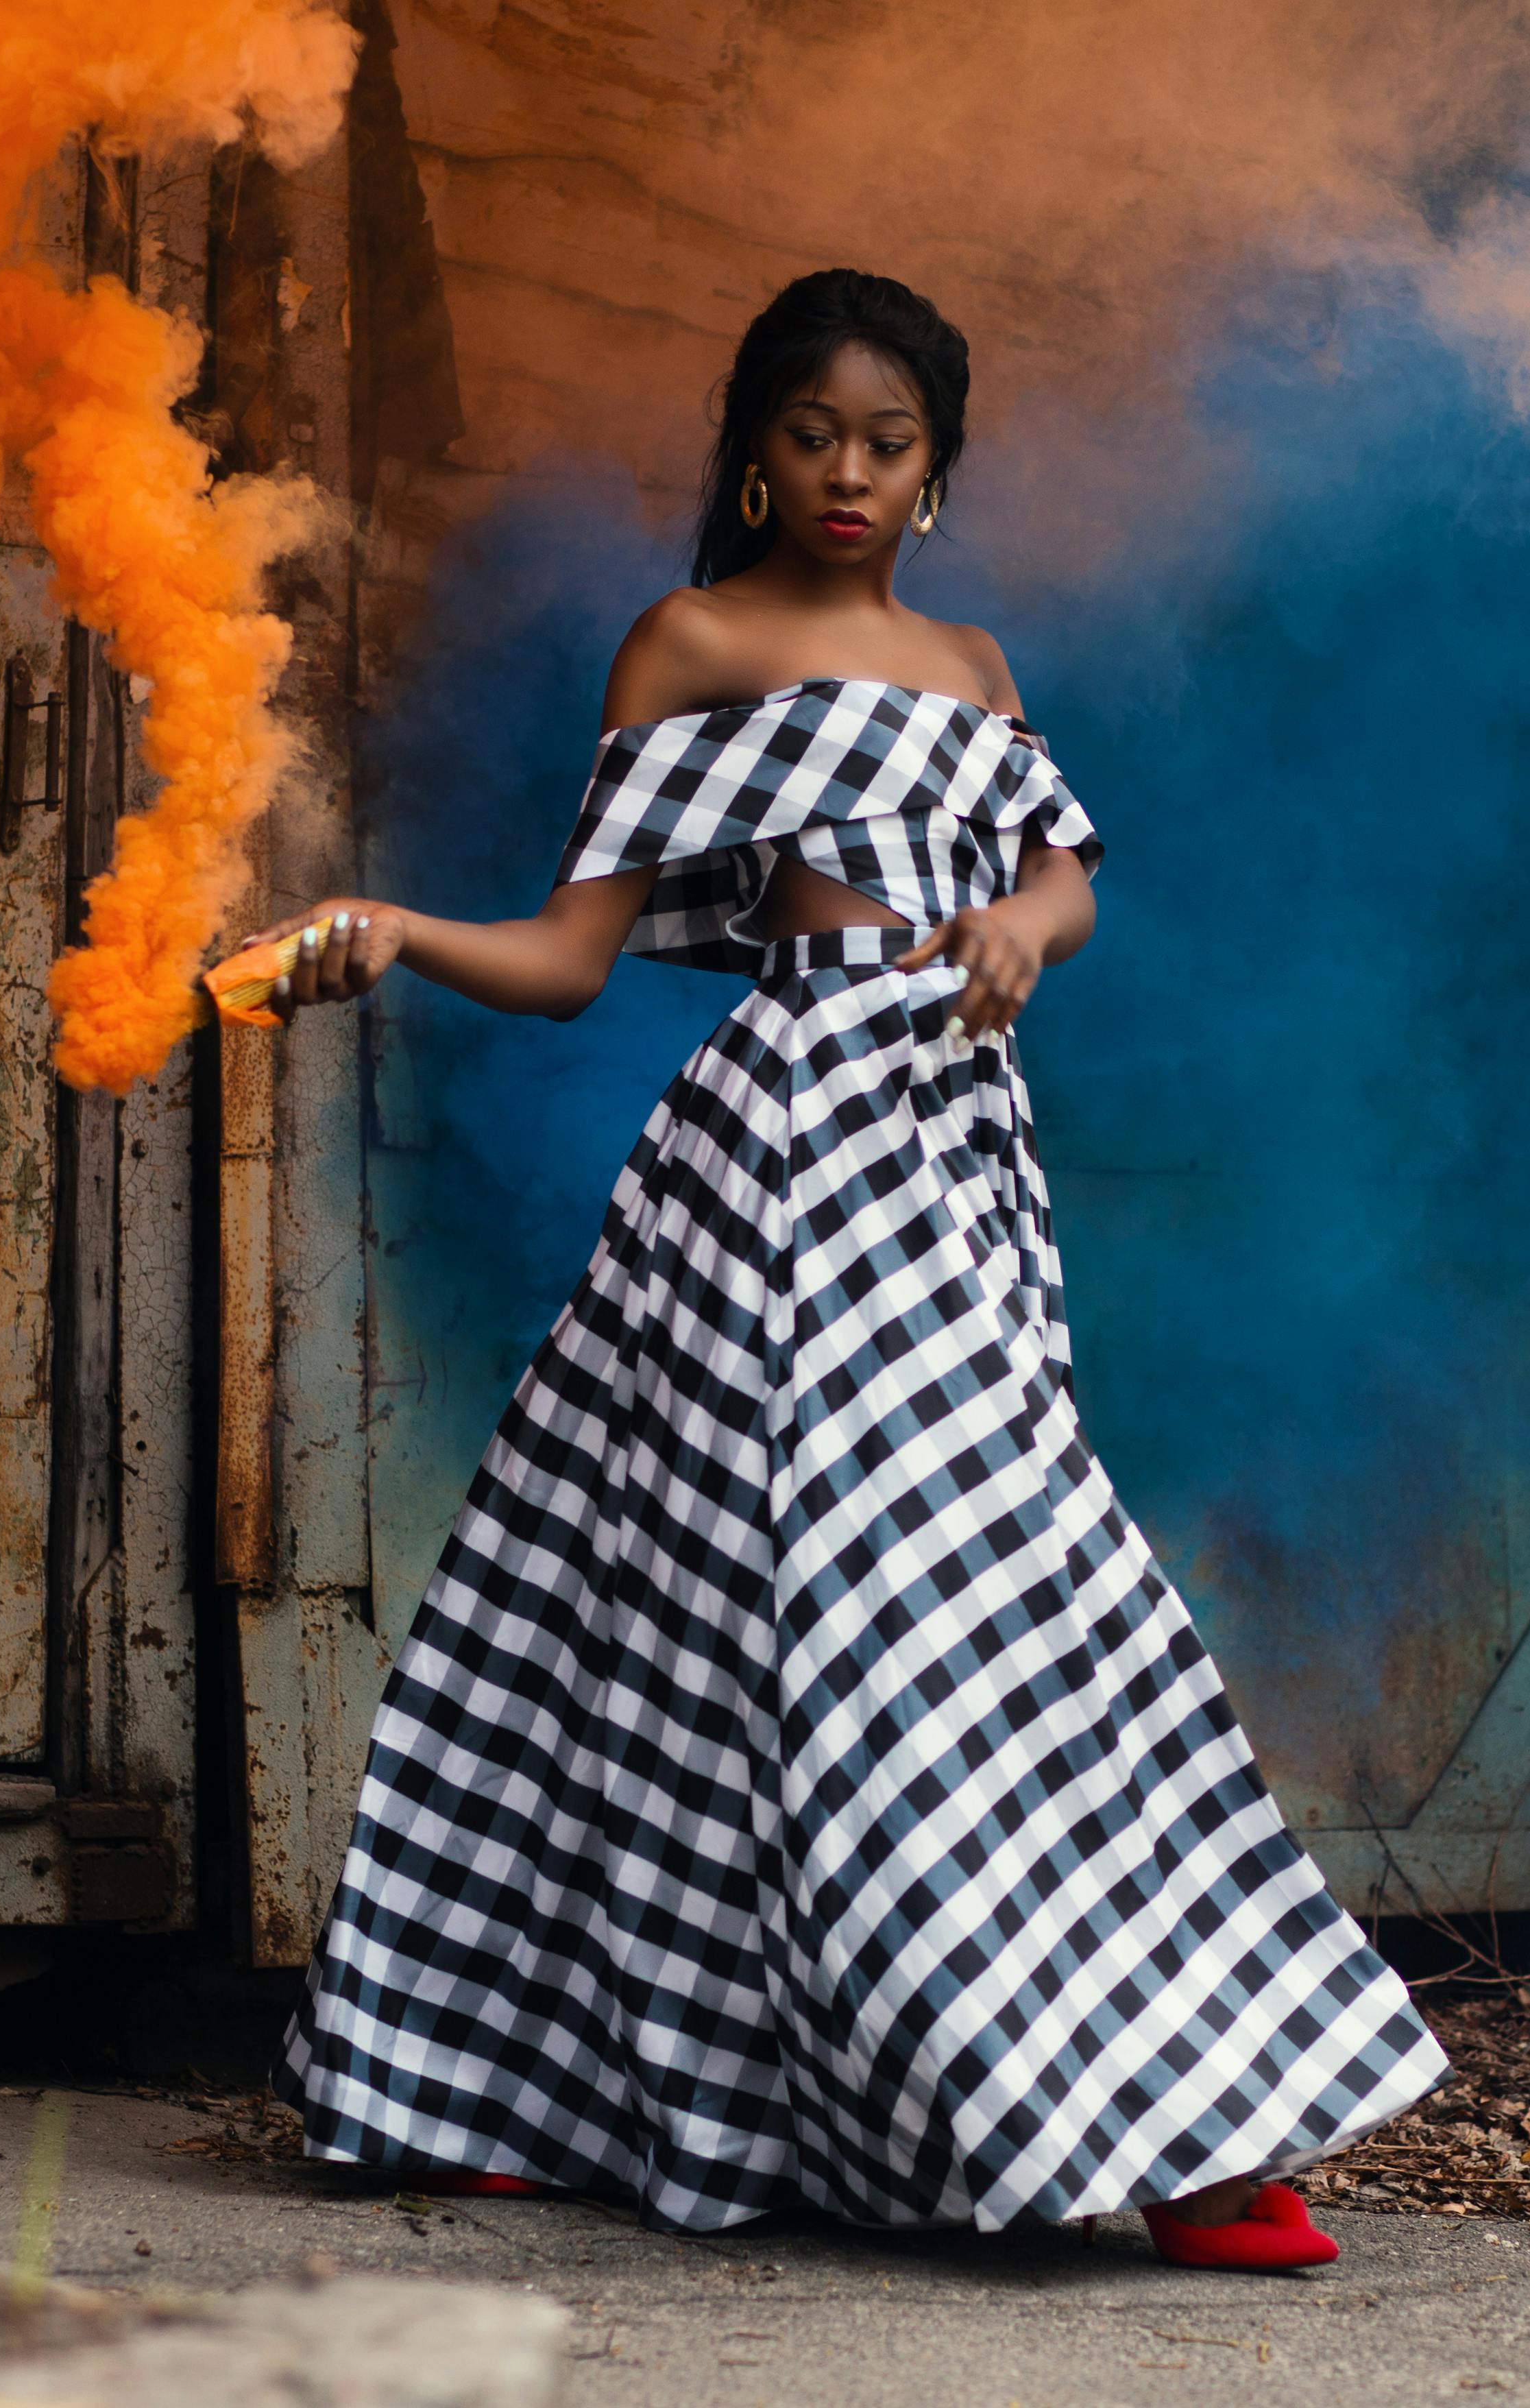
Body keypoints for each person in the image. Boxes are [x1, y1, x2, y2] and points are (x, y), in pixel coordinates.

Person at [255, 268, 1445, 2271]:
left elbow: (1059, 865)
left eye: (887, 445)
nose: (846, 473)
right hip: (769, 1155)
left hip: (952, 1165)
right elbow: (566, 964)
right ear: (751, 450)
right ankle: (512, 2081)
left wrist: (1021, 939)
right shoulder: (690, 643)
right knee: (707, 1630)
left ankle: (1182, 2130)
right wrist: (391, 928)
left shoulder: (970, 664)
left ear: (936, 473)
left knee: (1023, 1598)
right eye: (811, 435)